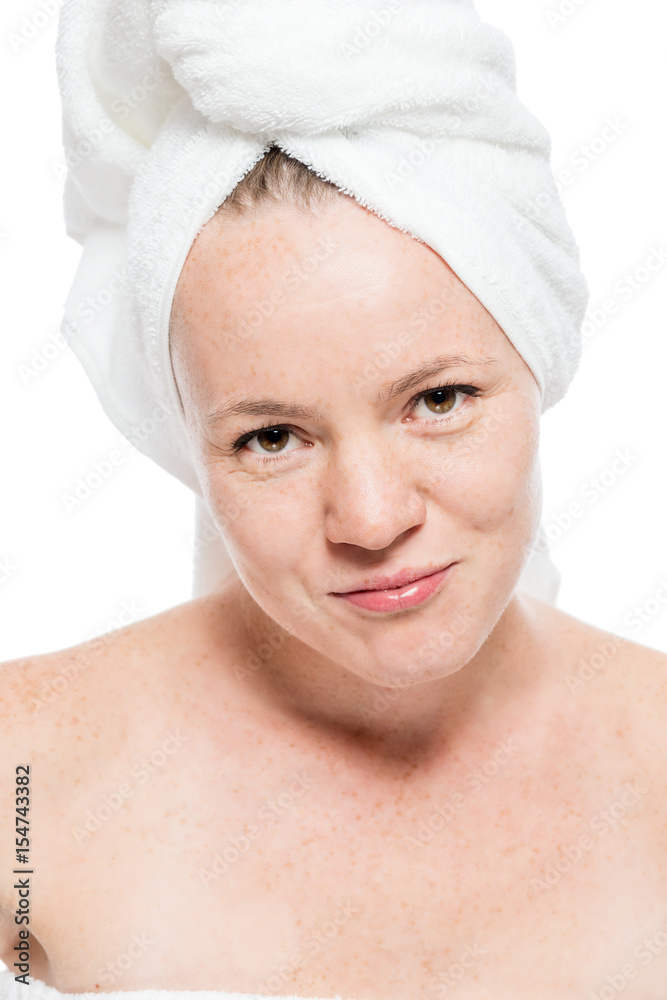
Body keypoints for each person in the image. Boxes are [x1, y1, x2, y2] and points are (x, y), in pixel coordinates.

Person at [1, 145, 666, 1000]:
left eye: (437, 400)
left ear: (539, 368)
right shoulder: (23, 770)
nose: (372, 520)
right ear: (187, 446)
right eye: (271, 438)